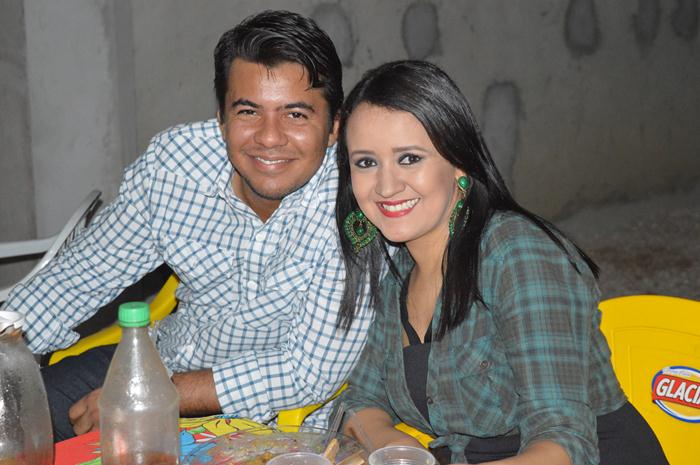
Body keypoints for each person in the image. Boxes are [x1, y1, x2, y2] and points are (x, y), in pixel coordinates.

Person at [0, 10, 372, 441]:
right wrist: (5, 340)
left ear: (334, 127)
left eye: (296, 115)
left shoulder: (356, 204)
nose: (269, 137)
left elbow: (306, 372)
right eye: (248, 111)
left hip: (271, 416)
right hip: (161, 361)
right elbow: (79, 277)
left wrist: (152, 396)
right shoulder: (176, 169)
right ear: (222, 119)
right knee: (12, 413)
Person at [334, 61, 668, 465]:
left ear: (458, 162)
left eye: (409, 158)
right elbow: (362, 399)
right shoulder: (397, 271)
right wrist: (398, 448)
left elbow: (563, 443)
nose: (386, 186)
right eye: (366, 162)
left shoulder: (517, 253)